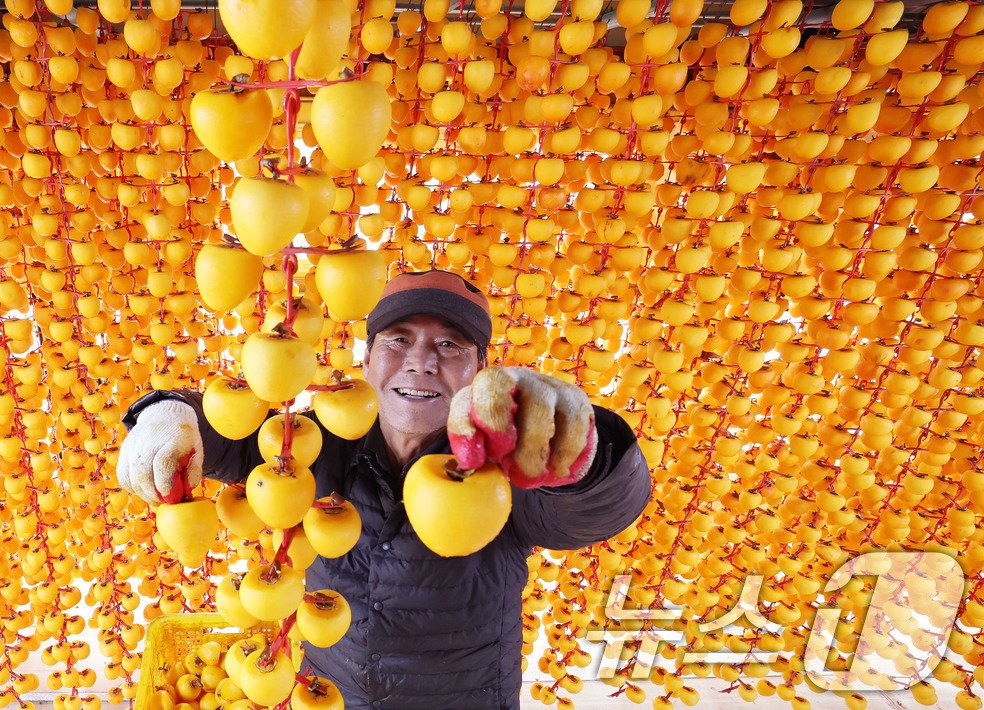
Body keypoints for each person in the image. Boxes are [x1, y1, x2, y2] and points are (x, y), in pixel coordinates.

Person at [117, 270, 652, 709]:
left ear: (479, 372)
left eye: (449, 344)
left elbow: (595, 510)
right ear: (367, 361)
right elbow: (228, 435)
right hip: (334, 692)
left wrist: (582, 448)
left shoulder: (502, 467)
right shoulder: (314, 445)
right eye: (399, 340)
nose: (421, 360)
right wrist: (168, 411)